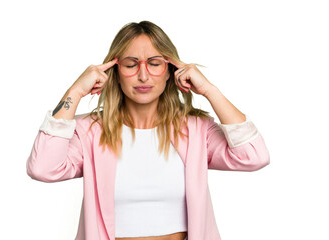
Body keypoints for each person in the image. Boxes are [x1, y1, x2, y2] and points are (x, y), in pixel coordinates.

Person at [26, 20, 270, 240]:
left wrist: (209, 90)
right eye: (131, 64)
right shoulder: (90, 131)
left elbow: (253, 156)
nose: (143, 75)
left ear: (170, 72)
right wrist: (75, 92)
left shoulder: (196, 131)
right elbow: (43, 168)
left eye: (154, 64)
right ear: (115, 72)